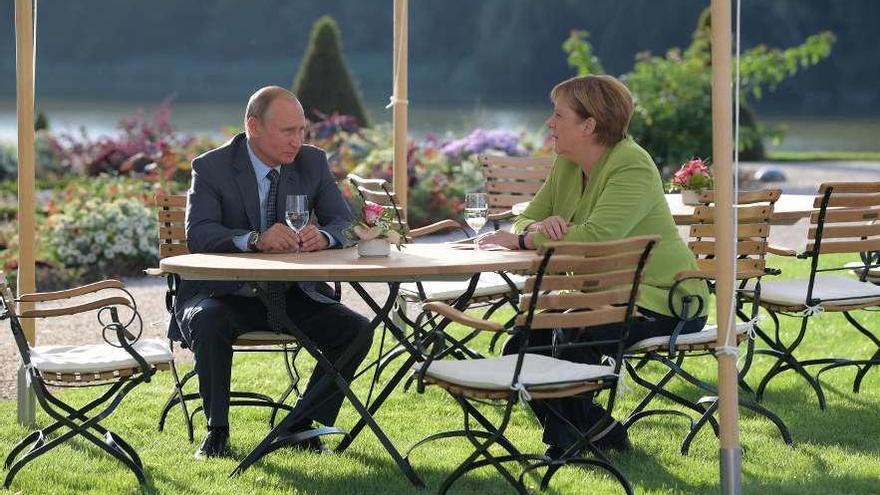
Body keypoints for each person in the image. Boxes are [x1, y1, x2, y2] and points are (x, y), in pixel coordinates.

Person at [479, 75, 709, 457]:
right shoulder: (567, 163)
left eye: (558, 115)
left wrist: (527, 239)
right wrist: (536, 226)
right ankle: (600, 430)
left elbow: (598, 236)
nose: (549, 123)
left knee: (574, 336)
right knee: (522, 343)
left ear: (589, 125)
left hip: (664, 299)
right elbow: (522, 217)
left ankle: (566, 443)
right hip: (600, 297)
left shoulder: (631, 165)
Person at [173, 86, 372, 459]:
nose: (297, 140)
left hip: (291, 295)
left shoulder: (312, 162)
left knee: (356, 330)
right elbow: (197, 234)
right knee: (209, 321)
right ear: (253, 126)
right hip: (225, 295)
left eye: (302, 130)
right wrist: (253, 239)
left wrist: (324, 236)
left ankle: (300, 426)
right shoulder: (212, 167)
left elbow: (346, 225)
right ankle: (217, 432)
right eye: (287, 131)